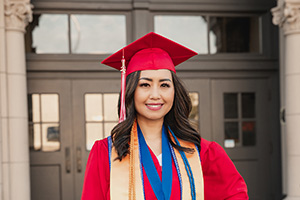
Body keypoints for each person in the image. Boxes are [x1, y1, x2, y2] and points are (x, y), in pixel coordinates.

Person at [81, 32, 248, 200]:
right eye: (145, 84)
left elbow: (235, 195)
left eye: (164, 85)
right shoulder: (106, 154)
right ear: (131, 91)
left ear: (175, 91)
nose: (155, 94)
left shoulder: (201, 152)